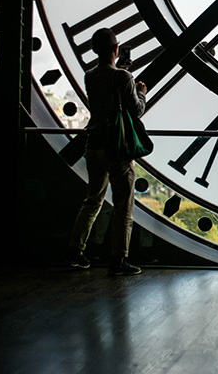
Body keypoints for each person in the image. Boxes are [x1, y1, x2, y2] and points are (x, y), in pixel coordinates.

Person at [67, 28, 147, 275]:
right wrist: (141, 91)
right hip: (117, 147)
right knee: (123, 204)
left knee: (93, 200)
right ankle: (119, 258)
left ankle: (76, 251)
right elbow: (136, 110)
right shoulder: (124, 79)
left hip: (94, 143)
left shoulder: (90, 76)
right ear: (116, 48)